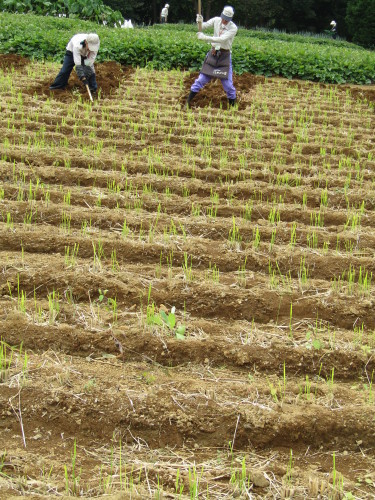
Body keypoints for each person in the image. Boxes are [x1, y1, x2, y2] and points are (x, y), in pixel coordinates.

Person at [186, 6, 238, 108]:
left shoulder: (233, 28)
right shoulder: (216, 20)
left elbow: (222, 39)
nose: (224, 21)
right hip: (213, 54)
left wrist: (205, 38)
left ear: (230, 19)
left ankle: (233, 109)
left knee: (228, 86)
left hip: (224, 57)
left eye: (226, 20)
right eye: (223, 18)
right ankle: (187, 103)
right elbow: (202, 27)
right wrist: (199, 22)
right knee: (200, 80)